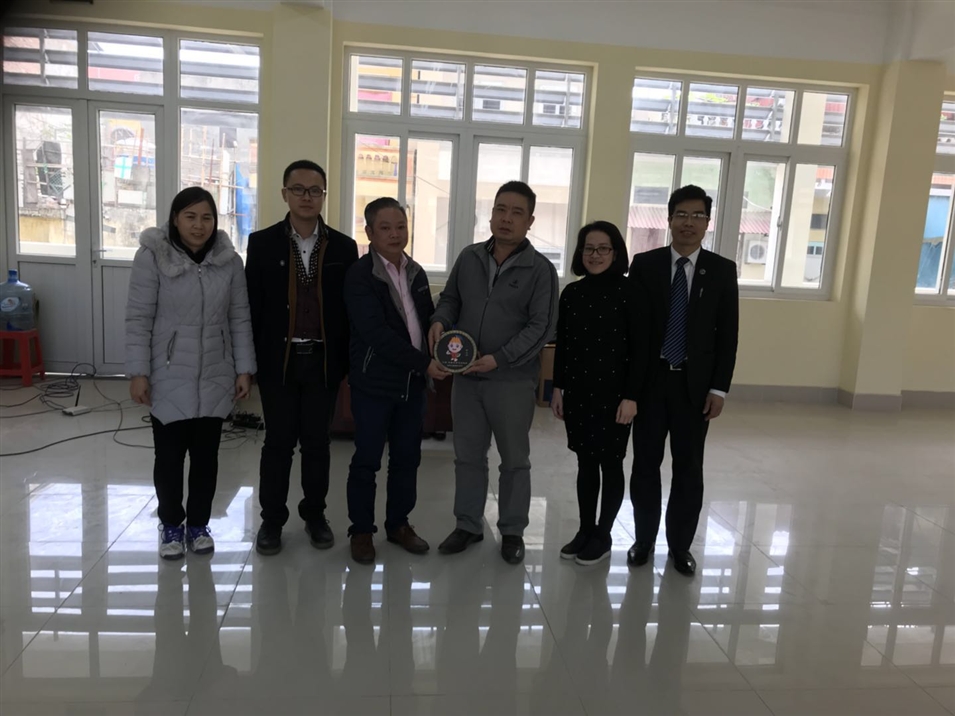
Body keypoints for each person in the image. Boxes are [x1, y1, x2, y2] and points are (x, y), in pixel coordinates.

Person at [429, 181, 559, 565]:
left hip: (511, 381)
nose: (506, 218)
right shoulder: (469, 257)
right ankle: (468, 524)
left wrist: (500, 359)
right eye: (500, 209)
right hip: (466, 378)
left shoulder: (540, 270)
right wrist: (439, 319)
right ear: (491, 214)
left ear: (530, 220)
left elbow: (542, 327)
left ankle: (513, 530)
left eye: (517, 212)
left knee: (514, 460)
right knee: (467, 456)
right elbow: (451, 298)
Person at [126, 187, 255, 560]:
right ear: (175, 219)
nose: (199, 225)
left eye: (207, 217)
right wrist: (138, 372)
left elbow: (239, 317)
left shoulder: (229, 262)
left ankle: (198, 524)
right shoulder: (152, 257)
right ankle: (171, 524)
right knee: (168, 459)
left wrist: (244, 369)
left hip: (215, 373)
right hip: (167, 373)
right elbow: (138, 318)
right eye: (191, 217)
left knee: (206, 458)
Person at [246, 160, 359, 556]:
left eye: (315, 190)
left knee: (316, 444)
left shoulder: (344, 247)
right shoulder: (262, 243)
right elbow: (251, 307)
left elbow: (349, 310)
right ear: (285, 194)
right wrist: (248, 365)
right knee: (278, 443)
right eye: (298, 189)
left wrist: (347, 363)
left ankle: (315, 515)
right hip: (279, 360)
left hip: (323, 361)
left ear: (324, 195)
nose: (307, 197)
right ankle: (271, 521)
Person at [626, 185, 739, 576]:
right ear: (669, 219)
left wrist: (719, 388)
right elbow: (633, 331)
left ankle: (680, 546)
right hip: (651, 383)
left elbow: (728, 335)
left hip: (695, 387)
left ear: (707, 223)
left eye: (697, 216)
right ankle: (643, 540)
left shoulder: (722, 270)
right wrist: (630, 388)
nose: (689, 223)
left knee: (689, 468)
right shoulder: (645, 264)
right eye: (682, 215)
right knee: (645, 464)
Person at [343, 197, 450, 564]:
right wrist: (424, 364)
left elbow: (425, 319)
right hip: (374, 384)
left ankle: (398, 524)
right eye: (385, 228)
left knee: (407, 459)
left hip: (412, 386)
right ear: (370, 232)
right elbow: (376, 334)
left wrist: (443, 339)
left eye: (400, 227)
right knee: (367, 460)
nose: (394, 234)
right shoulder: (360, 275)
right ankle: (361, 530)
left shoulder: (416, 271)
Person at [551, 221, 640, 566]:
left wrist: (632, 396)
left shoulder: (631, 293)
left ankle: (603, 535)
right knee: (585, 462)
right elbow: (563, 346)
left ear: (615, 253)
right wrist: (557, 388)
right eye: (589, 248)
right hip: (578, 392)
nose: (595, 255)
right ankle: (585, 529)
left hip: (616, 397)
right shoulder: (572, 294)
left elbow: (641, 350)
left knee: (610, 463)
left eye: (603, 248)